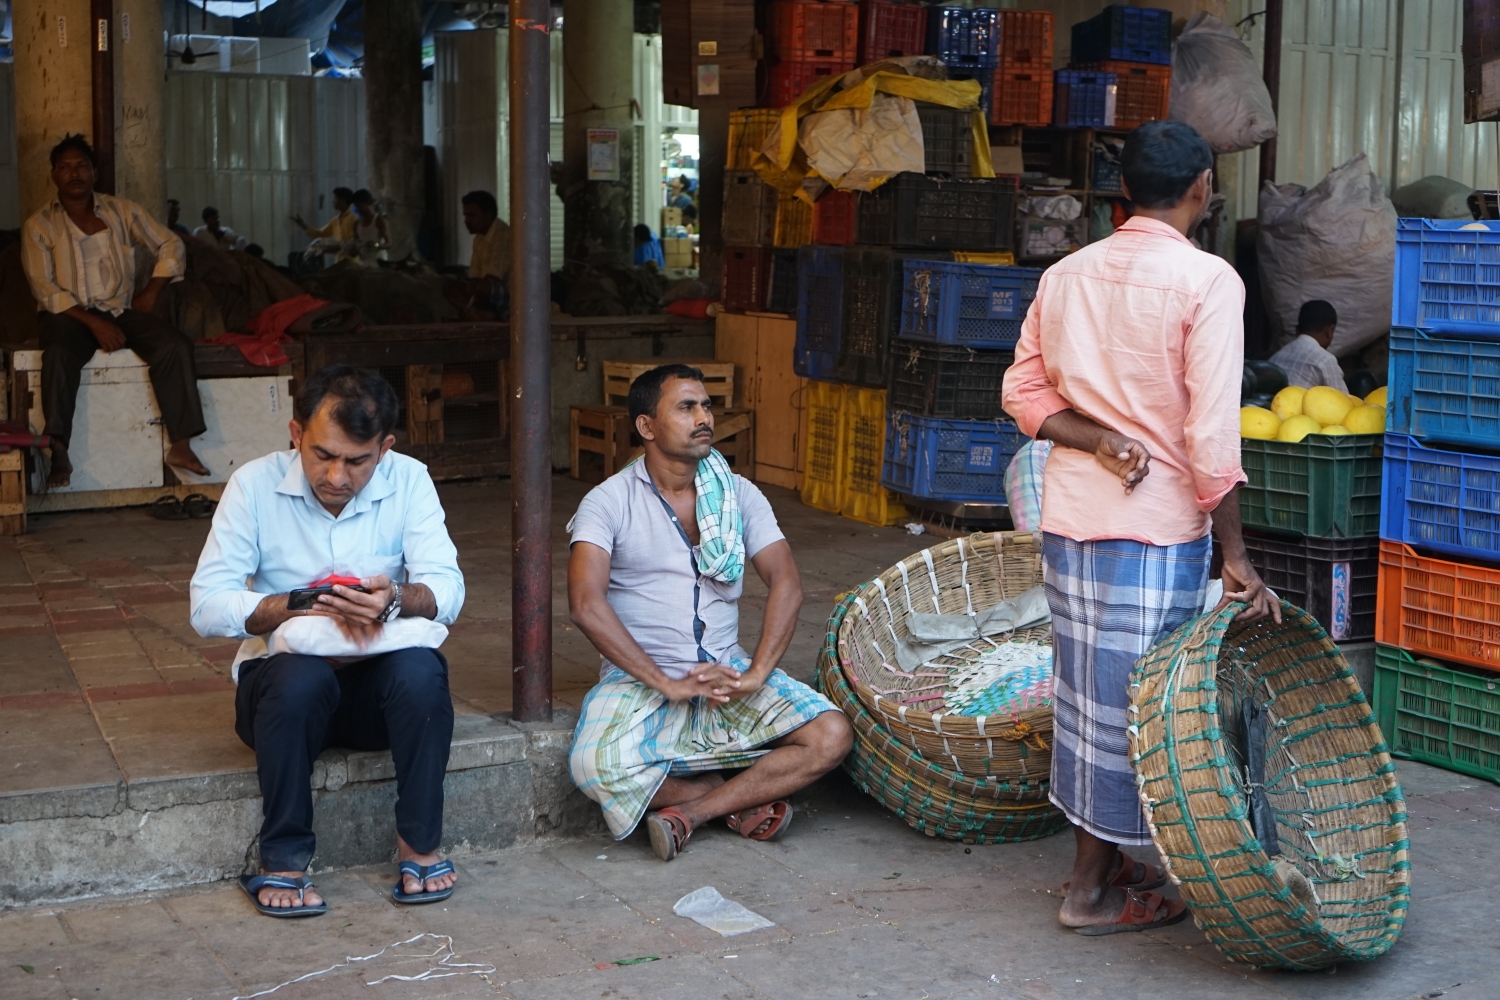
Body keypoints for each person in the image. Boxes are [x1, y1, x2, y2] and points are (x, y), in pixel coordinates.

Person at [1000, 120, 1279, 936]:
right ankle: (1088, 891)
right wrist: (1236, 554)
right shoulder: (1207, 280)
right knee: (1138, 708)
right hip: (1155, 533)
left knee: (1090, 698)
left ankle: (1112, 859)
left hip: (1072, 522)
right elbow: (1211, 439)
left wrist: (1094, 437)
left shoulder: (1067, 274)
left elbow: (1021, 392)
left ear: (1122, 191)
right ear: (1202, 186)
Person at [190, 365, 466, 917]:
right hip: (281, 704)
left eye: (357, 460)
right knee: (299, 676)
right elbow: (206, 605)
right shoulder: (253, 484)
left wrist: (394, 600)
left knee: (422, 672)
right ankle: (284, 861)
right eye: (322, 454)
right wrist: (300, 603)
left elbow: (448, 587)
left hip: (373, 705)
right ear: (296, 434)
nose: (337, 475)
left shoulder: (409, 479)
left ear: (384, 448)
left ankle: (421, 846)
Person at [567, 364, 852, 861]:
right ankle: (737, 803)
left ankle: (692, 813)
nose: (704, 418)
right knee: (593, 766)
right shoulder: (607, 502)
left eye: (706, 406)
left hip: (727, 668)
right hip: (642, 679)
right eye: (685, 407)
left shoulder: (738, 493)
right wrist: (665, 681)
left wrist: (757, 673)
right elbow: (585, 604)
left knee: (831, 736)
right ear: (646, 427)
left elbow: (786, 581)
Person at [20, 134, 211, 488]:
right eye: (65, 167)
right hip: (67, 316)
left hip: (118, 310)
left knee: (175, 346)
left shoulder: (122, 211)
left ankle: (181, 445)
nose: (74, 174)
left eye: (81, 166)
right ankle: (58, 447)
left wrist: (152, 292)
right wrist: (94, 324)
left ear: (94, 172)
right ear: (53, 176)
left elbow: (170, 243)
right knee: (59, 354)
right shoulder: (39, 225)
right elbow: (44, 289)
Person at [1267, 300, 1348, 392]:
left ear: (1297, 330)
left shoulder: (1277, 356)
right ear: (1329, 331)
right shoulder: (1325, 360)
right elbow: (1343, 401)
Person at [458, 189, 509, 319]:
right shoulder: (478, 239)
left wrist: (473, 288)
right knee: (449, 286)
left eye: (472, 216)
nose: (466, 221)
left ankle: (482, 314)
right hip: (484, 291)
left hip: (508, 292)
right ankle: (474, 313)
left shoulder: (504, 234)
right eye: (465, 216)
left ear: (487, 215)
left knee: (482, 287)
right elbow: (474, 275)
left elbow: (493, 278)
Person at [350, 189, 390, 260]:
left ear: (368, 203)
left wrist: (376, 245)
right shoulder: (356, 224)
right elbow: (355, 244)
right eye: (356, 206)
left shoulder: (378, 220)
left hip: (379, 263)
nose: (358, 209)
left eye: (360, 205)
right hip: (363, 264)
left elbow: (388, 244)